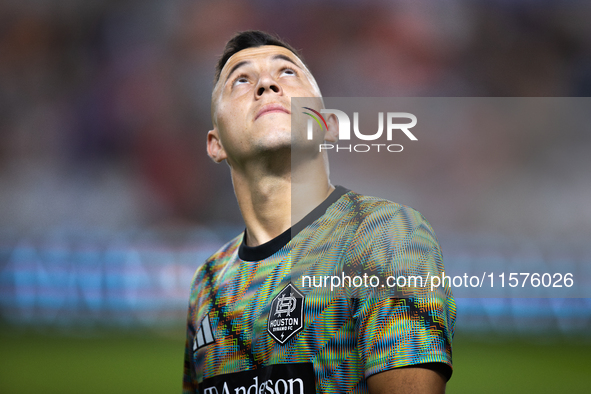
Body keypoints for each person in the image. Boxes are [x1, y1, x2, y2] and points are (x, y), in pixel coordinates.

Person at [183, 30, 455, 394]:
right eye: (242, 80)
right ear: (216, 144)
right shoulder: (208, 282)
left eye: (287, 73)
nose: (266, 84)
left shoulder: (384, 235)